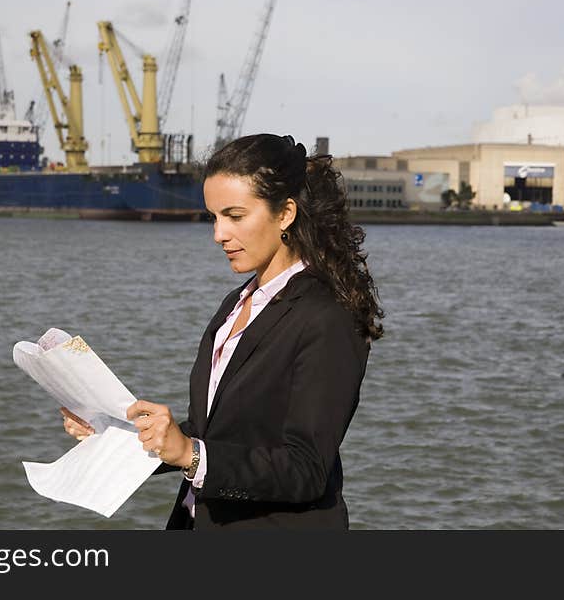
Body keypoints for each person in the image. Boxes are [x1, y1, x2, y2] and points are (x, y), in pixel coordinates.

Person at [62, 133, 383, 529]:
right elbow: (214, 431)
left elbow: (306, 469)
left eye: (234, 216)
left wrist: (191, 454)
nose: (218, 234)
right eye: (213, 217)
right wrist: (116, 435)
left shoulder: (327, 317)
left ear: (285, 213)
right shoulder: (235, 304)